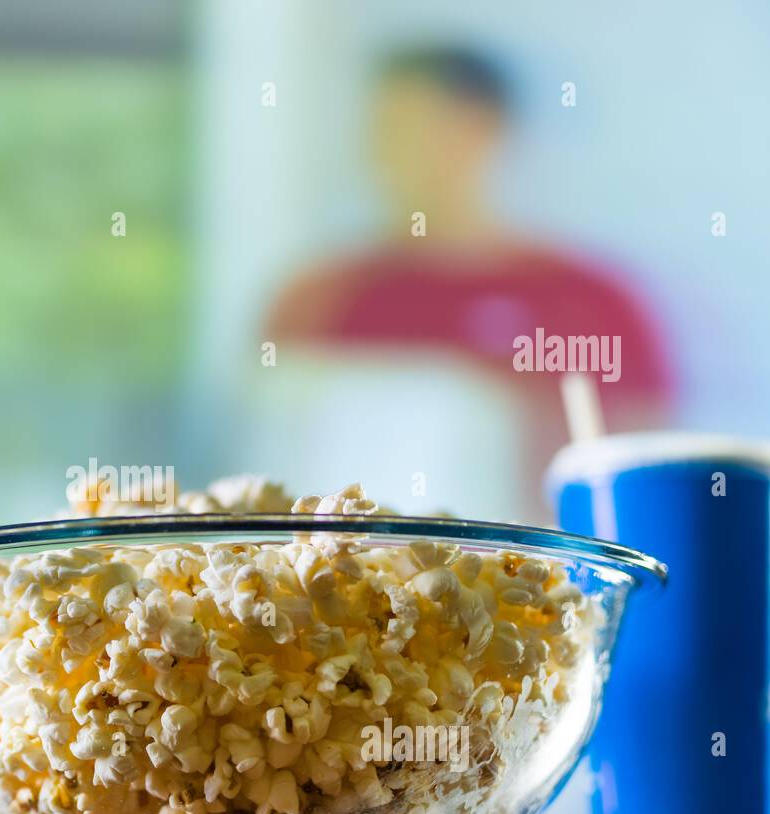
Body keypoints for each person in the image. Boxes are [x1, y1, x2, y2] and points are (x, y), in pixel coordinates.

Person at [265, 45, 672, 505]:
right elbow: (270, 459)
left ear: (489, 130)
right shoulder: (317, 298)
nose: (399, 154)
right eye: (386, 130)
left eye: (425, 129)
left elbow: (643, 477)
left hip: (538, 569)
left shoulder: (596, 304)